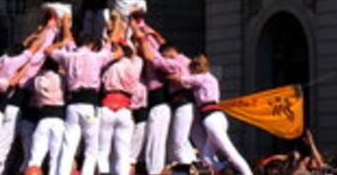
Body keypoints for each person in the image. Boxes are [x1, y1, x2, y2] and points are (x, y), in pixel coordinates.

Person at [0, 22, 58, 175]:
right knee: (4, 149)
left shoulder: (3, 61)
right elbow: (39, 49)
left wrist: (33, 37)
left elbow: (23, 49)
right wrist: (48, 29)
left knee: (4, 149)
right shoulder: (26, 64)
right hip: (13, 110)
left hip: (3, 109)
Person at [50, 16, 123, 175]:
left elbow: (50, 50)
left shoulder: (68, 56)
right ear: (91, 45)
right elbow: (115, 50)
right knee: (91, 147)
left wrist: (64, 26)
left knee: (68, 145)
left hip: (72, 104)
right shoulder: (97, 57)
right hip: (90, 103)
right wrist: (117, 23)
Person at [175, 54, 253, 175]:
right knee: (206, 157)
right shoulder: (211, 78)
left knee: (230, 152)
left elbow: (181, 79)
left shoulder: (201, 78)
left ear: (195, 68)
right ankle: (226, 169)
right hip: (218, 117)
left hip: (211, 119)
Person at [137, 24, 195, 170]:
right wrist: (152, 33)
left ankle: (161, 170)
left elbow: (151, 56)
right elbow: (163, 46)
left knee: (172, 142)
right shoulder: (182, 59)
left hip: (173, 103)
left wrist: (140, 32)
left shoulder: (174, 62)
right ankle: (190, 165)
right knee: (176, 142)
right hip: (178, 104)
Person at [98, 23, 144, 175]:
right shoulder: (136, 64)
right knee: (123, 152)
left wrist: (115, 32)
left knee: (103, 150)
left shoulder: (108, 65)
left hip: (107, 106)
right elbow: (136, 53)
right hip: (125, 109)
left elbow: (108, 50)